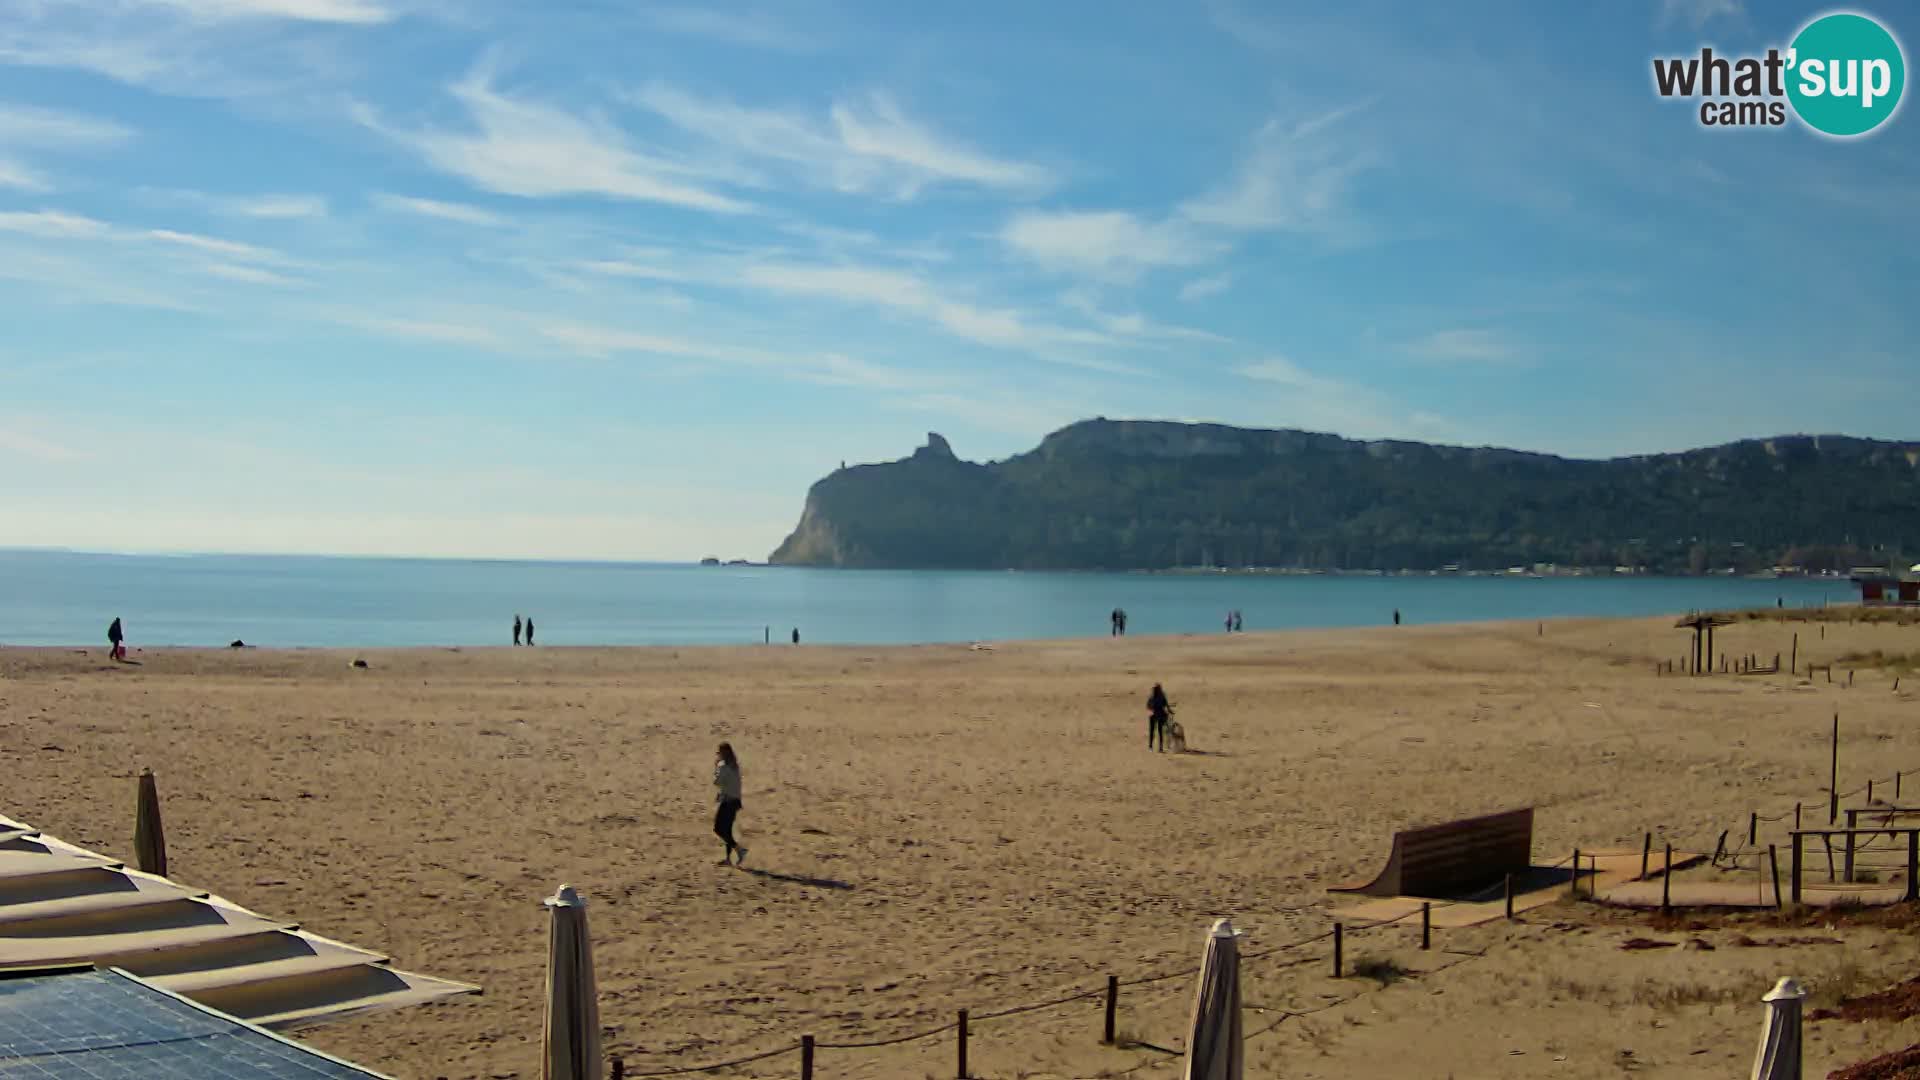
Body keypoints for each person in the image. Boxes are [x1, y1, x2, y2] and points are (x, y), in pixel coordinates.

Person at [713, 742, 747, 866]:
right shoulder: (735, 765)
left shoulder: (723, 766)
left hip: (728, 801)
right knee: (727, 830)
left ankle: (740, 850)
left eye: (719, 752)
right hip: (735, 801)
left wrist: (716, 767)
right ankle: (728, 858)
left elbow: (717, 782)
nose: (718, 754)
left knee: (718, 829)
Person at [1147, 682, 1170, 752]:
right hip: (1154, 715)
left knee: (1159, 731)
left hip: (1159, 715)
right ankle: (1151, 747)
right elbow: (1148, 705)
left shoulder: (1161, 696)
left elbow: (1166, 704)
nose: (1157, 690)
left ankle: (1160, 747)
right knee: (1153, 731)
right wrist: (1151, 710)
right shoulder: (1152, 696)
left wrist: (1169, 711)